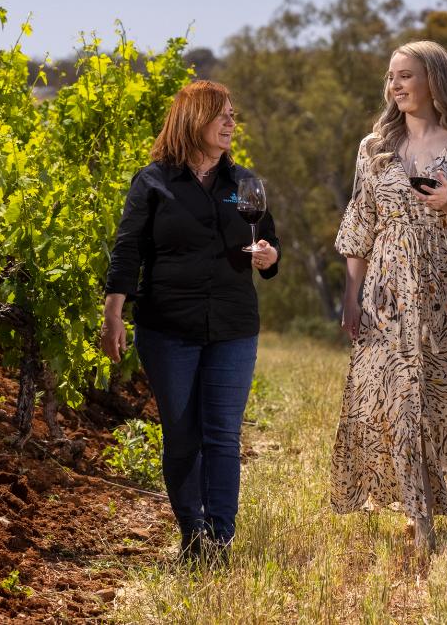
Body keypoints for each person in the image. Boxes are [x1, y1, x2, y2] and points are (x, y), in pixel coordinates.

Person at [100, 80, 280, 565]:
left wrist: (267, 255)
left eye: (232, 115)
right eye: (220, 114)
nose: (230, 123)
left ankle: (219, 542)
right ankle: (193, 533)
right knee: (182, 434)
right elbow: (128, 250)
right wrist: (113, 312)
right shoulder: (154, 181)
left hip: (233, 327)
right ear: (191, 119)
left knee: (222, 433)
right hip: (167, 327)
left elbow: (268, 242)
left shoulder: (245, 184)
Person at [332, 40, 447, 554]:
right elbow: (361, 224)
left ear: (434, 81)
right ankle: (416, 516)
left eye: (406, 76)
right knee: (394, 399)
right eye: (391, 76)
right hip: (385, 291)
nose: (395, 85)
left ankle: (431, 505)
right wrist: (351, 294)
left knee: (442, 403)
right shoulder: (373, 147)